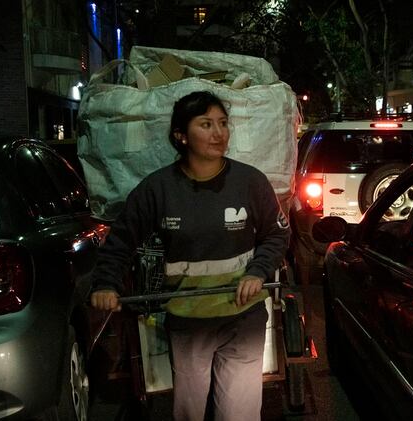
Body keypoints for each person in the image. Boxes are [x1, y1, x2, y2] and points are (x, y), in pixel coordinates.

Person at [89, 90, 290, 421]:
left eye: (223, 123)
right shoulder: (158, 189)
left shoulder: (250, 182)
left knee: (240, 414)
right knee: (189, 413)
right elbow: (120, 240)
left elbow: (276, 234)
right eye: (206, 124)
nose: (219, 133)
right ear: (181, 136)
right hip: (188, 321)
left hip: (244, 317)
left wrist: (258, 272)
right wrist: (105, 283)